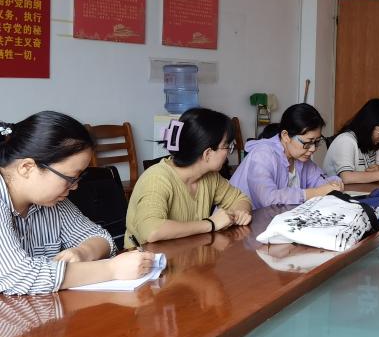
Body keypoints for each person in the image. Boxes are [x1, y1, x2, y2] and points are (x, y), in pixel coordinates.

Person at [0, 111, 153, 294]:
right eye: (70, 178)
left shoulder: (52, 202)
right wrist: (112, 269)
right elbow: (19, 276)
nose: (75, 187)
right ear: (27, 168)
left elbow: (102, 238)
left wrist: (84, 252)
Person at [127, 108, 253, 247]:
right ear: (208, 154)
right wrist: (211, 223)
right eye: (226, 146)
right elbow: (151, 230)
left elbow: (240, 199)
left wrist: (240, 212)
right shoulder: (157, 178)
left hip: (189, 252)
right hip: (146, 258)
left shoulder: (210, 177)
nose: (228, 152)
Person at [230, 103, 343, 209]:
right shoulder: (262, 155)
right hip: (241, 220)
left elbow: (320, 180)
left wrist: (333, 184)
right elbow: (268, 199)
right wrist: (312, 193)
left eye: (317, 142)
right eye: (308, 142)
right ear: (285, 136)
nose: (313, 149)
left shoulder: (300, 158)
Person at [323, 99, 379, 184]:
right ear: (369, 125)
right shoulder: (346, 141)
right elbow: (346, 177)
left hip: (362, 190)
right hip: (339, 192)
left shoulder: (370, 142)